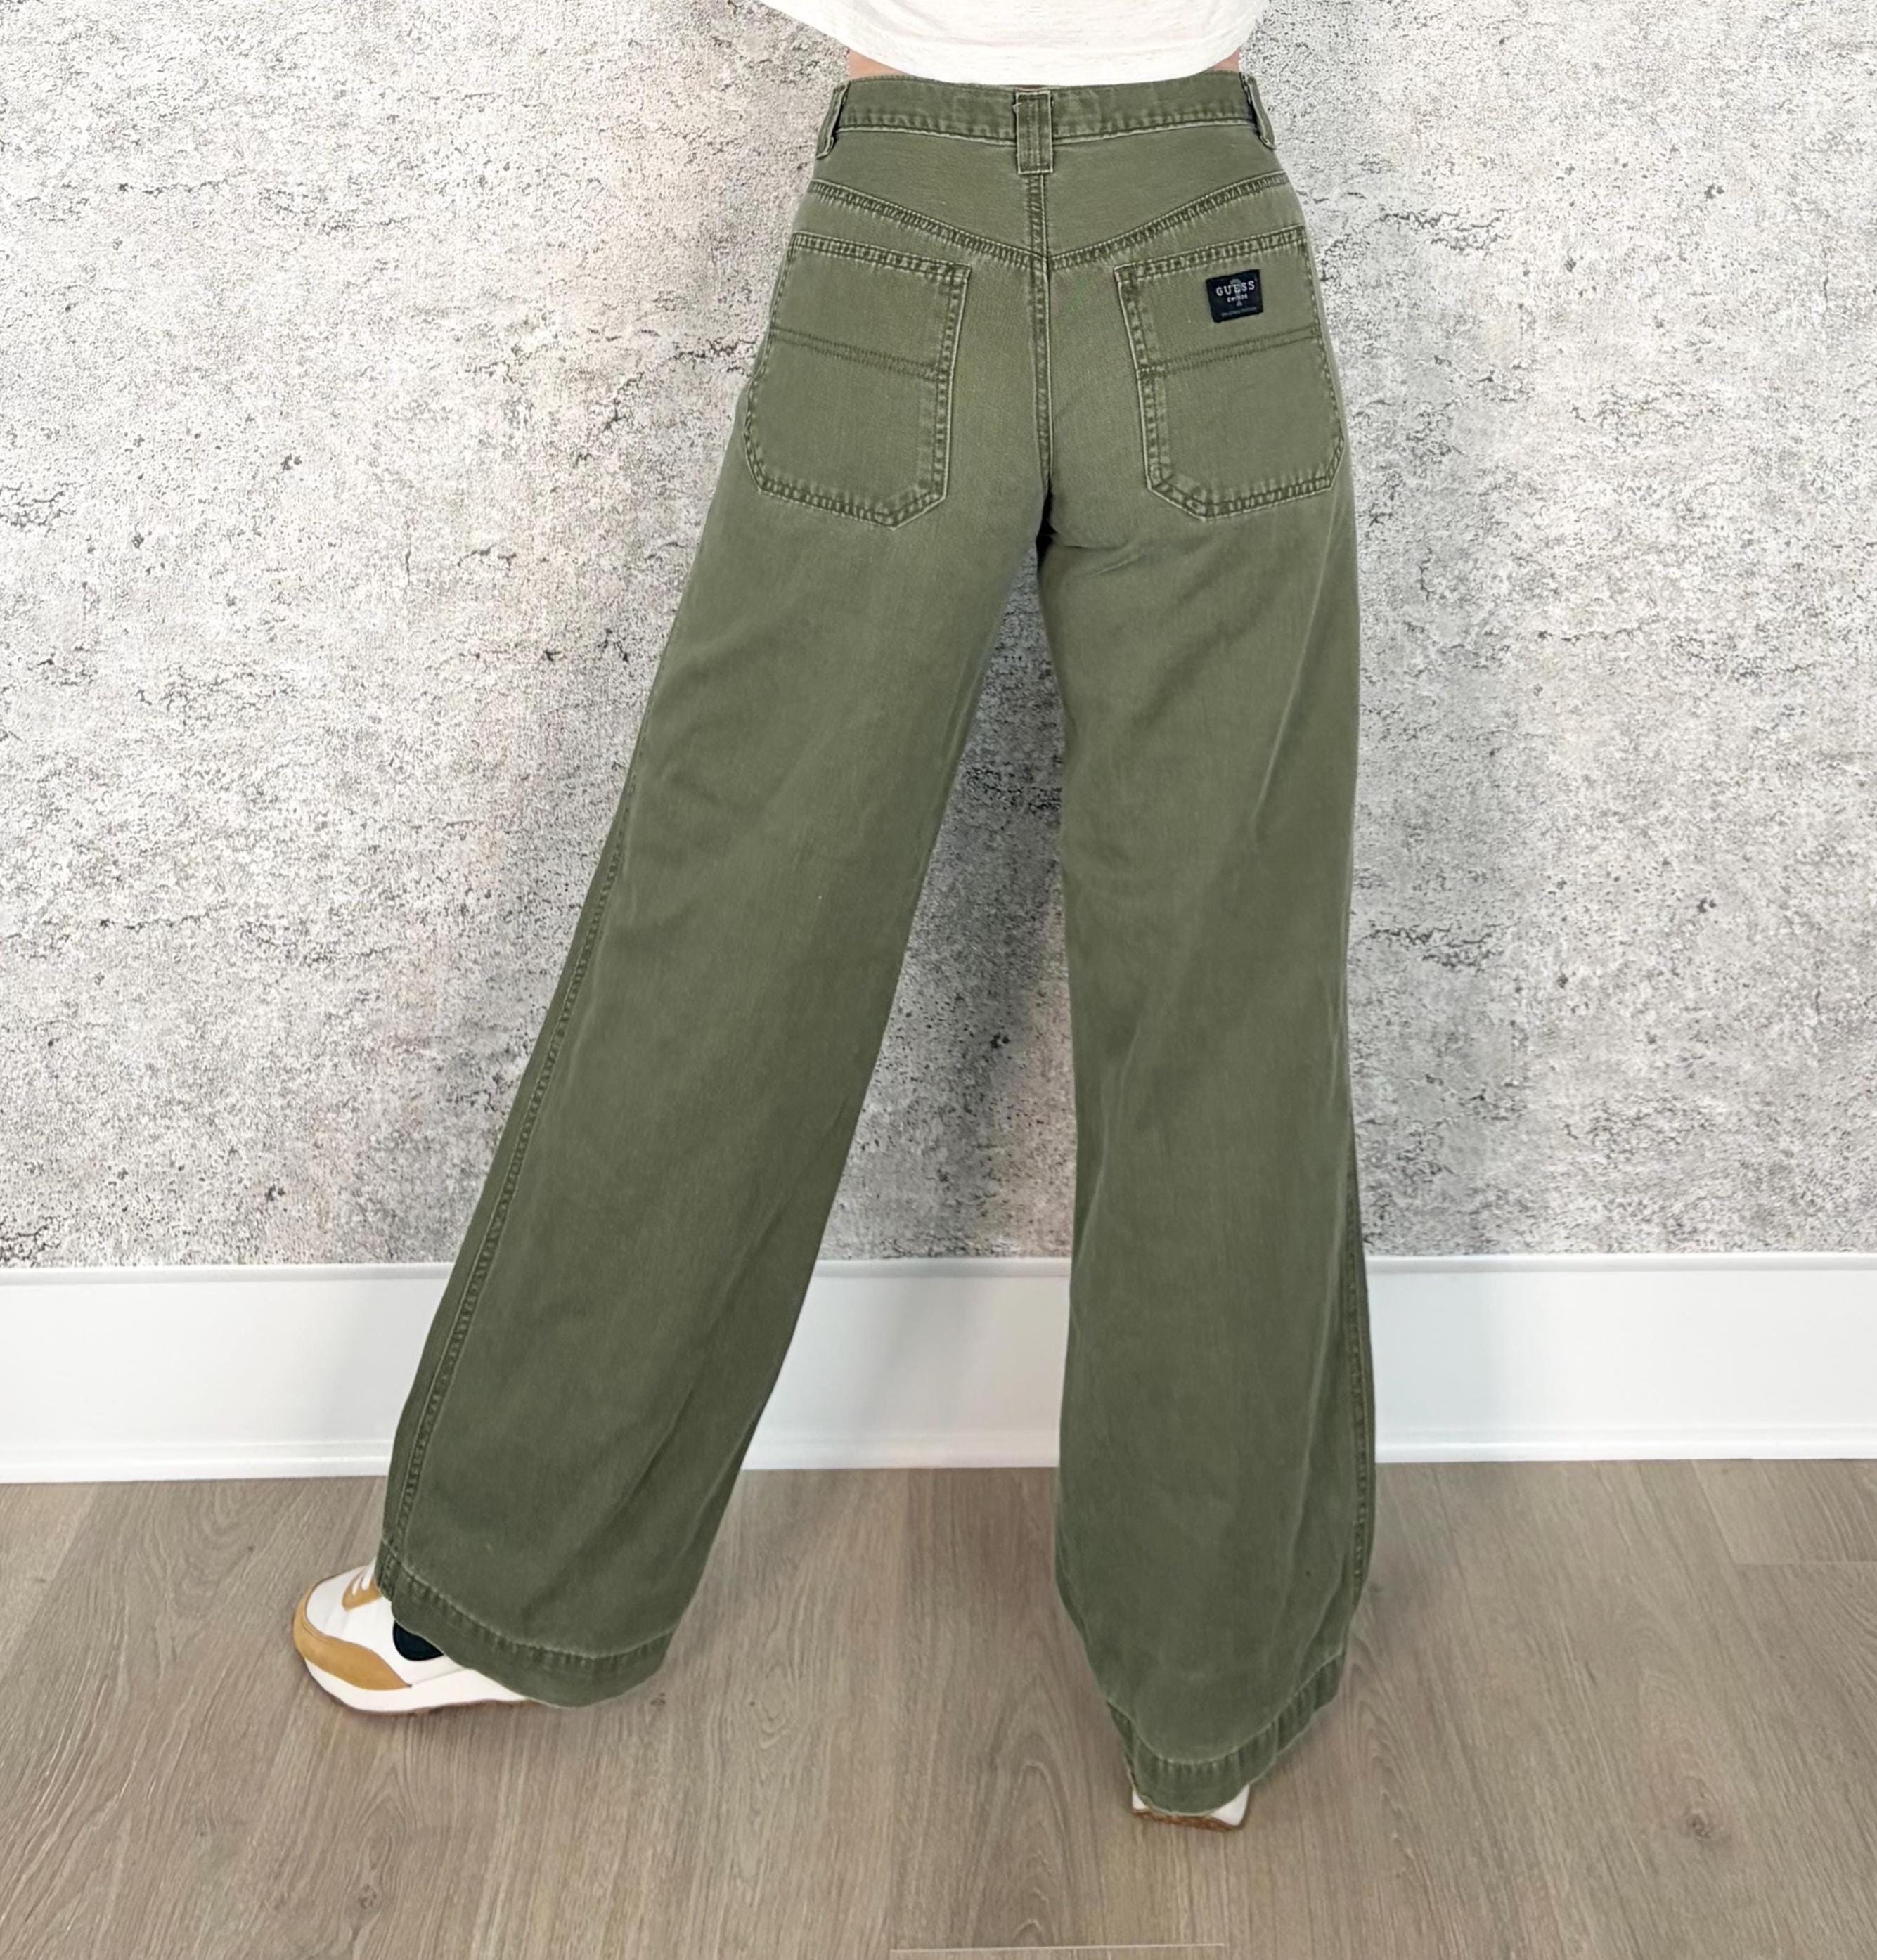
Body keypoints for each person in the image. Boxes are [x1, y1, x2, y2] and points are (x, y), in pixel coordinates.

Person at [291, 0, 1377, 1834]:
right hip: (1202, 237)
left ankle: (503, 1582)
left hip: (906, 228)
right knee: (1226, 979)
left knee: (730, 922)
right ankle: (1212, 1695)